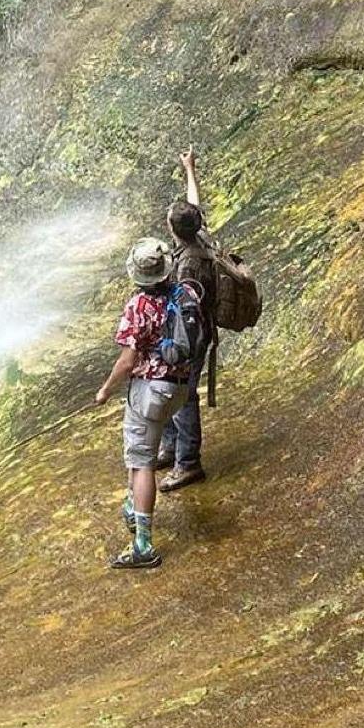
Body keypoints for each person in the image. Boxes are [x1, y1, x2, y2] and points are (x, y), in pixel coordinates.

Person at [96, 237, 201, 570]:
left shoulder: (139, 306)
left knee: (142, 462)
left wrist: (105, 390)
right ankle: (132, 505)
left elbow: (127, 361)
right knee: (140, 450)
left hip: (151, 393)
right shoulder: (186, 293)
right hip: (180, 388)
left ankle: (143, 545)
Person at [158, 148, 219, 492]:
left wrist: (178, 349)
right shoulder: (198, 236)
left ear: (174, 230)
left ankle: (188, 463)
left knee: (183, 395)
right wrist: (190, 168)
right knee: (168, 389)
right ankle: (170, 447)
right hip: (186, 333)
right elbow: (193, 205)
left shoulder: (188, 268)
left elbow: (188, 314)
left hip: (191, 336)